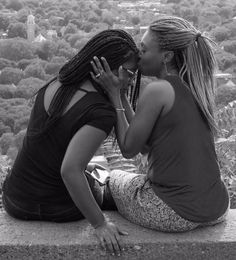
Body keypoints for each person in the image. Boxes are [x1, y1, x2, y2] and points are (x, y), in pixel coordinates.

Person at [2, 29, 140, 255]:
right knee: (112, 187)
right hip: (58, 206)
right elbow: (70, 171)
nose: (132, 80)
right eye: (130, 73)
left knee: (92, 170)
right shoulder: (101, 111)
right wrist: (100, 224)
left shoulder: (57, 84)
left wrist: (119, 90)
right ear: (109, 67)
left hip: (16, 199)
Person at [90, 16, 230, 232]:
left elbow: (128, 149)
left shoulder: (158, 90)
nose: (139, 56)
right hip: (216, 208)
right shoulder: (196, 88)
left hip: (173, 212)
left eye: (144, 50)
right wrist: (124, 97)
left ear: (166, 56)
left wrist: (113, 95)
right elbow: (145, 145)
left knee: (111, 179)